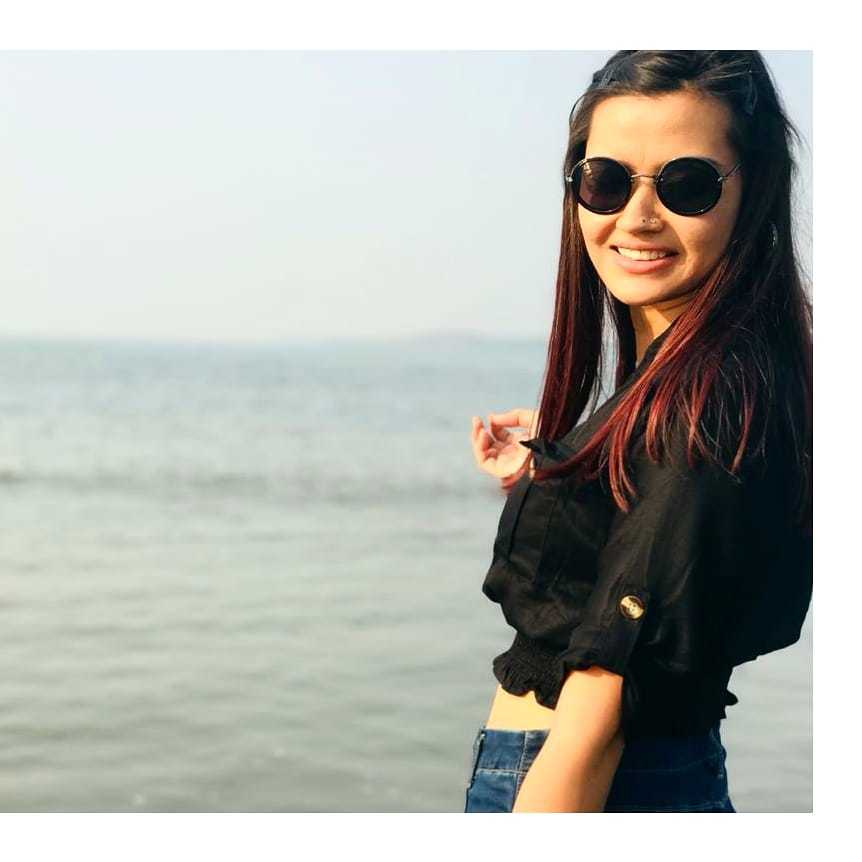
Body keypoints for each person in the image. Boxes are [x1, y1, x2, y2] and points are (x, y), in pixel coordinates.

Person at [465, 50, 812, 813]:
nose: (638, 216)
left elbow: (599, 711)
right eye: (606, 181)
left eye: (687, 185)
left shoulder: (709, 404)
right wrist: (576, 463)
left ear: (752, 192)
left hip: (591, 781)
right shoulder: (704, 386)